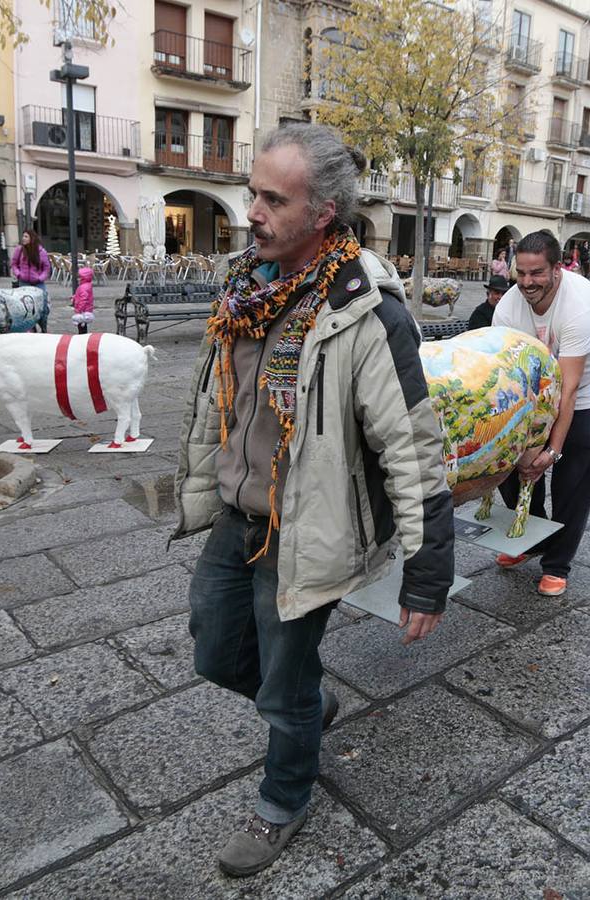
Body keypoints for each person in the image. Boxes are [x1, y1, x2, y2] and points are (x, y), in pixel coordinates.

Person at [170, 123, 454, 877]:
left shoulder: (365, 311)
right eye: (252, 193)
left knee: (285, 681)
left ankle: (282, 801)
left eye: (273, 199)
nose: (252, 212)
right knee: (214, 651)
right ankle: (305, 706)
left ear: (324, 212)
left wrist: (428, 574)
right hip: (237, 514)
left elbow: (411, 446)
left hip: (307, 528)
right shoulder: (245, 288)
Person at [492, 230, 590, 598]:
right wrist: (516, 447)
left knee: (573, 478)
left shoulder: (579, 307)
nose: (527, 282)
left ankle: (557, 563)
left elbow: (568, 390)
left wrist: (551, 452)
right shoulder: (507, 308)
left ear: (557, 270)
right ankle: (532, 540)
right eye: (521, 272)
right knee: (512, 466)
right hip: (538, 389)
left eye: (537, 273)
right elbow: (505, 376)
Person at [11, 228, 51, 303]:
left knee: (43, 301)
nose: (23, 238)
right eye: (23, 236)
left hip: (38, 282)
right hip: (24, 282)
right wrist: (18, 274)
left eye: (26, 236)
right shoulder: (19, 250)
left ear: (32, 238)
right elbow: (14, 264)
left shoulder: (41, 252)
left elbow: (46, 268)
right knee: (25, 303)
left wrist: (40, 278)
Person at [70, 266, 95, 335]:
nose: (78, 279)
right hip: (86, 309)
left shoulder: (83, 287)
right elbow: (81, 295)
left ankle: (82, 336)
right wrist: (75, 297)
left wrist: (79, 309)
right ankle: (83, 335)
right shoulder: (86, 286)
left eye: (79, 277)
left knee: (81, 325)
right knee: (82, 325)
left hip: (83, 311)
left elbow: (84, 299)